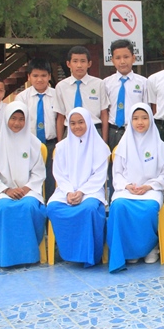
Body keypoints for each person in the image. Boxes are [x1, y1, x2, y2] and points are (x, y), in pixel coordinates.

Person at [0, 101, 47, 267]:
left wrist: (25, 189)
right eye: (13, 118)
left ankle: (29, 256)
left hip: (29, 191)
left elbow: (39, 172)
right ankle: (5, 257)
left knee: (29, 207)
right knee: (3, 208)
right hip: (3, 192)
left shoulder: (34, 143)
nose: (17, 123)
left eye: (21, 119)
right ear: (6, 119)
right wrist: (6, 190)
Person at [107, 103, 164, 273]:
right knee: (118, 207)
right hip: (126, 190)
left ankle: (150, 247)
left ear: (151, 119)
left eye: (144, 118)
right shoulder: (122, 146)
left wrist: (148, 186)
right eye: (135, 118)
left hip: (151, 191)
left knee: (149, 209)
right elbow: (117, 173)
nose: (140, 122)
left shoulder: (160, 146)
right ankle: (129, 250)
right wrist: (127, 186)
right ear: (130, 121)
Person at [47, 108, 110, 267]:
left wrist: (82, 192)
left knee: (89, 209)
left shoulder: (100, 147)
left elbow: (99, 176)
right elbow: (59, 174)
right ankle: (68, 252)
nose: (77, 127)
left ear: (88, 122)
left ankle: (90, 255)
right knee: (53, 208)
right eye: (73, 123)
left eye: (81, 122)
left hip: (91, 191)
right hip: (66, 191)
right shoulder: (61, 147)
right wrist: (69, 191)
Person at [16, 58, 60, 201]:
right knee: (31, 179)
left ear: (49, 76)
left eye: (43, 75)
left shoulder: (57, 95)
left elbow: (61, 120)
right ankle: (35, 206)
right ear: (29, 77)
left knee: (51, 178)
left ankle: (49, 207)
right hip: (30, 145)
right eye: (35, 76)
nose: (39, 79)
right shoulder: (22, 98)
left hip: (51, 143)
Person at [55, 46, 109, 141]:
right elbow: (60, 116)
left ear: (89, 64)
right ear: (68, 64)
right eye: (75, 61)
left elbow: (104, 113)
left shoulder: (99, 84)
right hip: (71, 130)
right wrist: (59, 144)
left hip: (94, 129)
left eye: (83, 61)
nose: (79, 65)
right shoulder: (61, 86)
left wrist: (104, 141)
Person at [103, 39, 148, 150]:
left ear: (133, 58)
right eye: (118, 58)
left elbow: (147, 110)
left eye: (126, 57)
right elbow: (104, 111)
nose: (122, 61)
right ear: (112, 60)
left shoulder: (143, 83)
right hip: (113, 130)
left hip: (135, 130)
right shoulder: (106, 83)